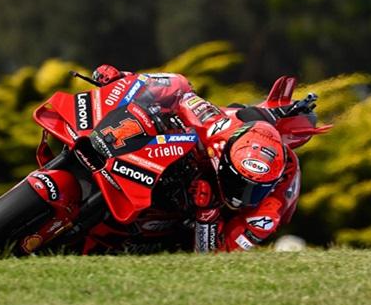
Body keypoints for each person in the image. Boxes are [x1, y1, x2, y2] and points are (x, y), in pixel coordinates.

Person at [91, 64, 303, 253]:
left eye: (254, 189)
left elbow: (215, 258)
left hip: (202, 223)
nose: (241, 196)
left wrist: (208, 212)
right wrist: (123, 80)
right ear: (224, 160)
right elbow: (181, 89)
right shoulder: (216, 127)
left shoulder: (266, 213)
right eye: (237, 183)